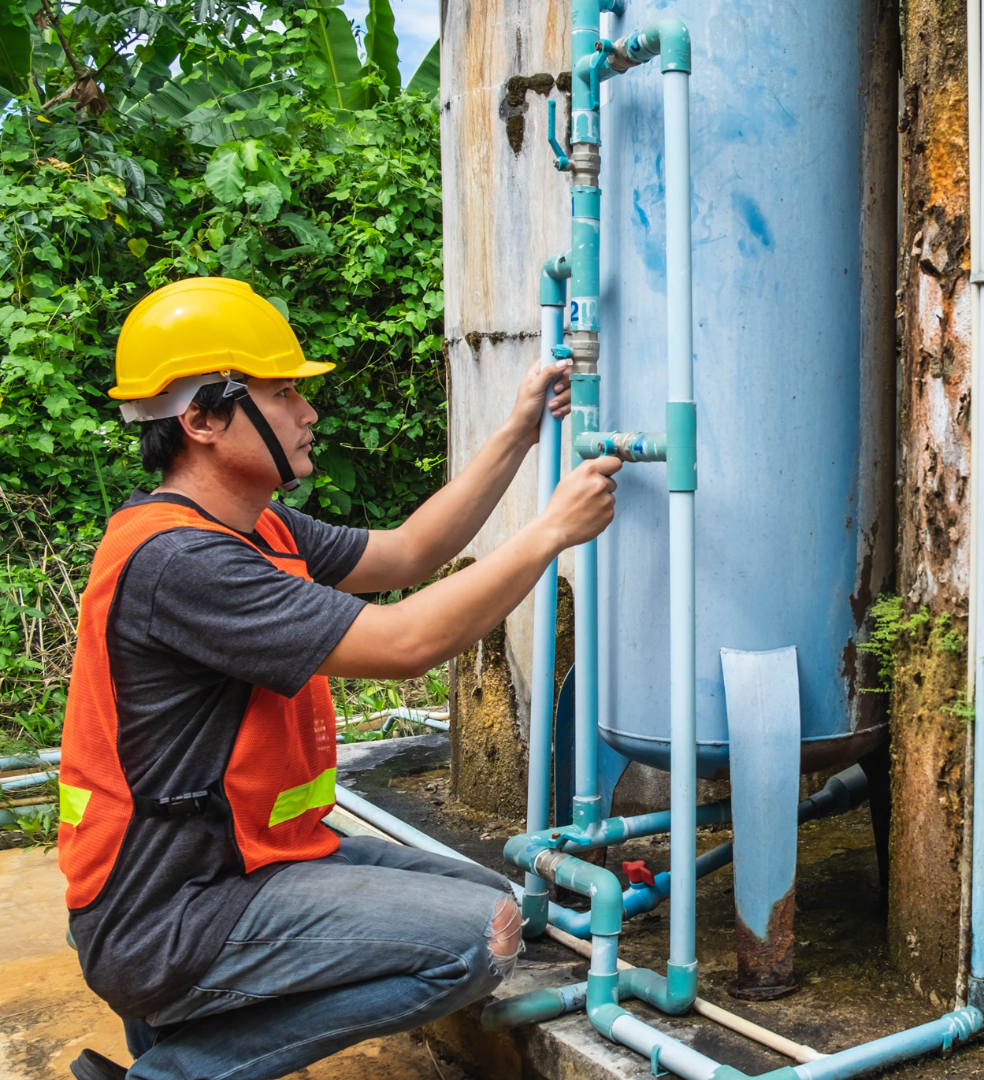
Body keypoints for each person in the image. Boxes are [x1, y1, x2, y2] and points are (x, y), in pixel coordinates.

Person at [55, 277, 621, 1080]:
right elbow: (405, 642)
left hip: (247, 866)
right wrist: (550, 533)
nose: (307, 411)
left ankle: (175, 1035)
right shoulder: (182, 562)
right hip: (168, 914)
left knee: (488, 900)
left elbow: (408, 554)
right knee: (478, 932)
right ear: (204, 419)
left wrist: (520, 432)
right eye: (283, 393)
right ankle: (174, 1072)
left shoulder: (259, 526)